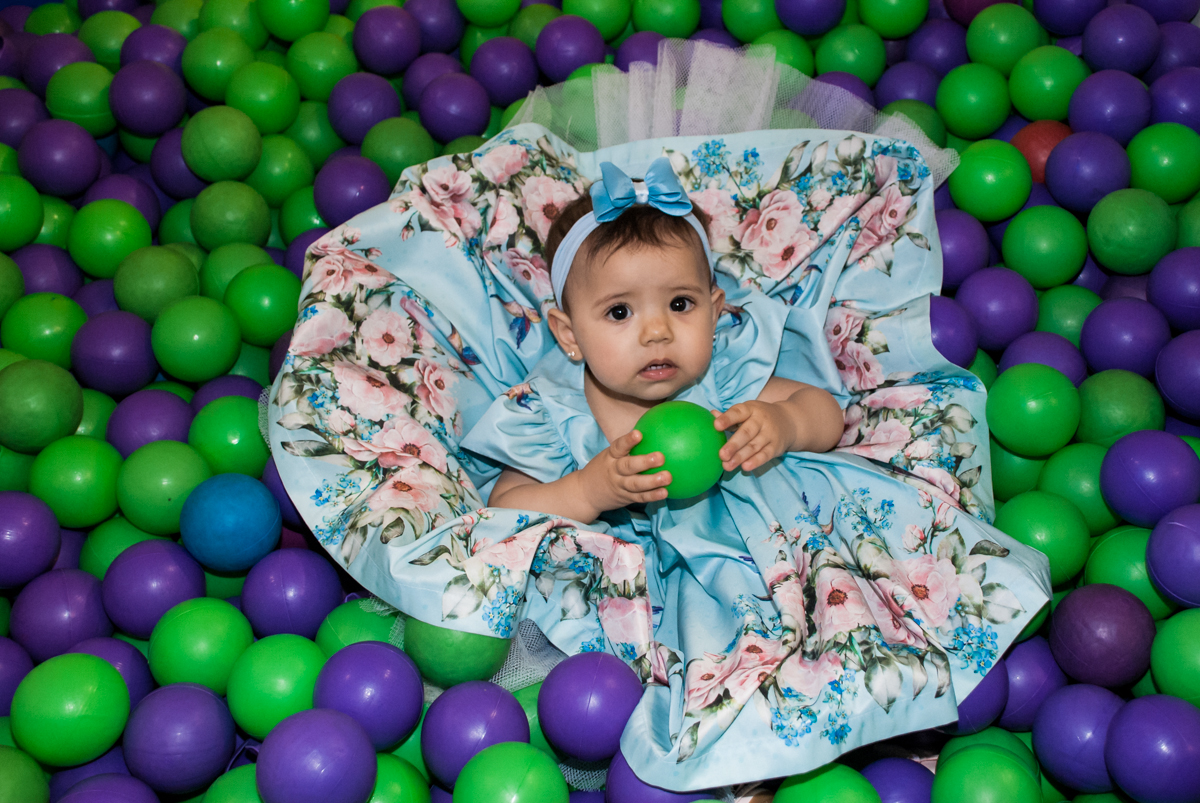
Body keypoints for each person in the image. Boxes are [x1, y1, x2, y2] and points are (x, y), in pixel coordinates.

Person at [476, 159, 846, 522]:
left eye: (680, 304)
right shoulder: (554, 413)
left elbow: (827, 414)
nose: (657, 332)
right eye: (619, 312)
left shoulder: (723, 376)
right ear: (570, 335)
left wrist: (786, 423)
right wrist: (585, 492)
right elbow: (504, 507)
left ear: (714, 313)